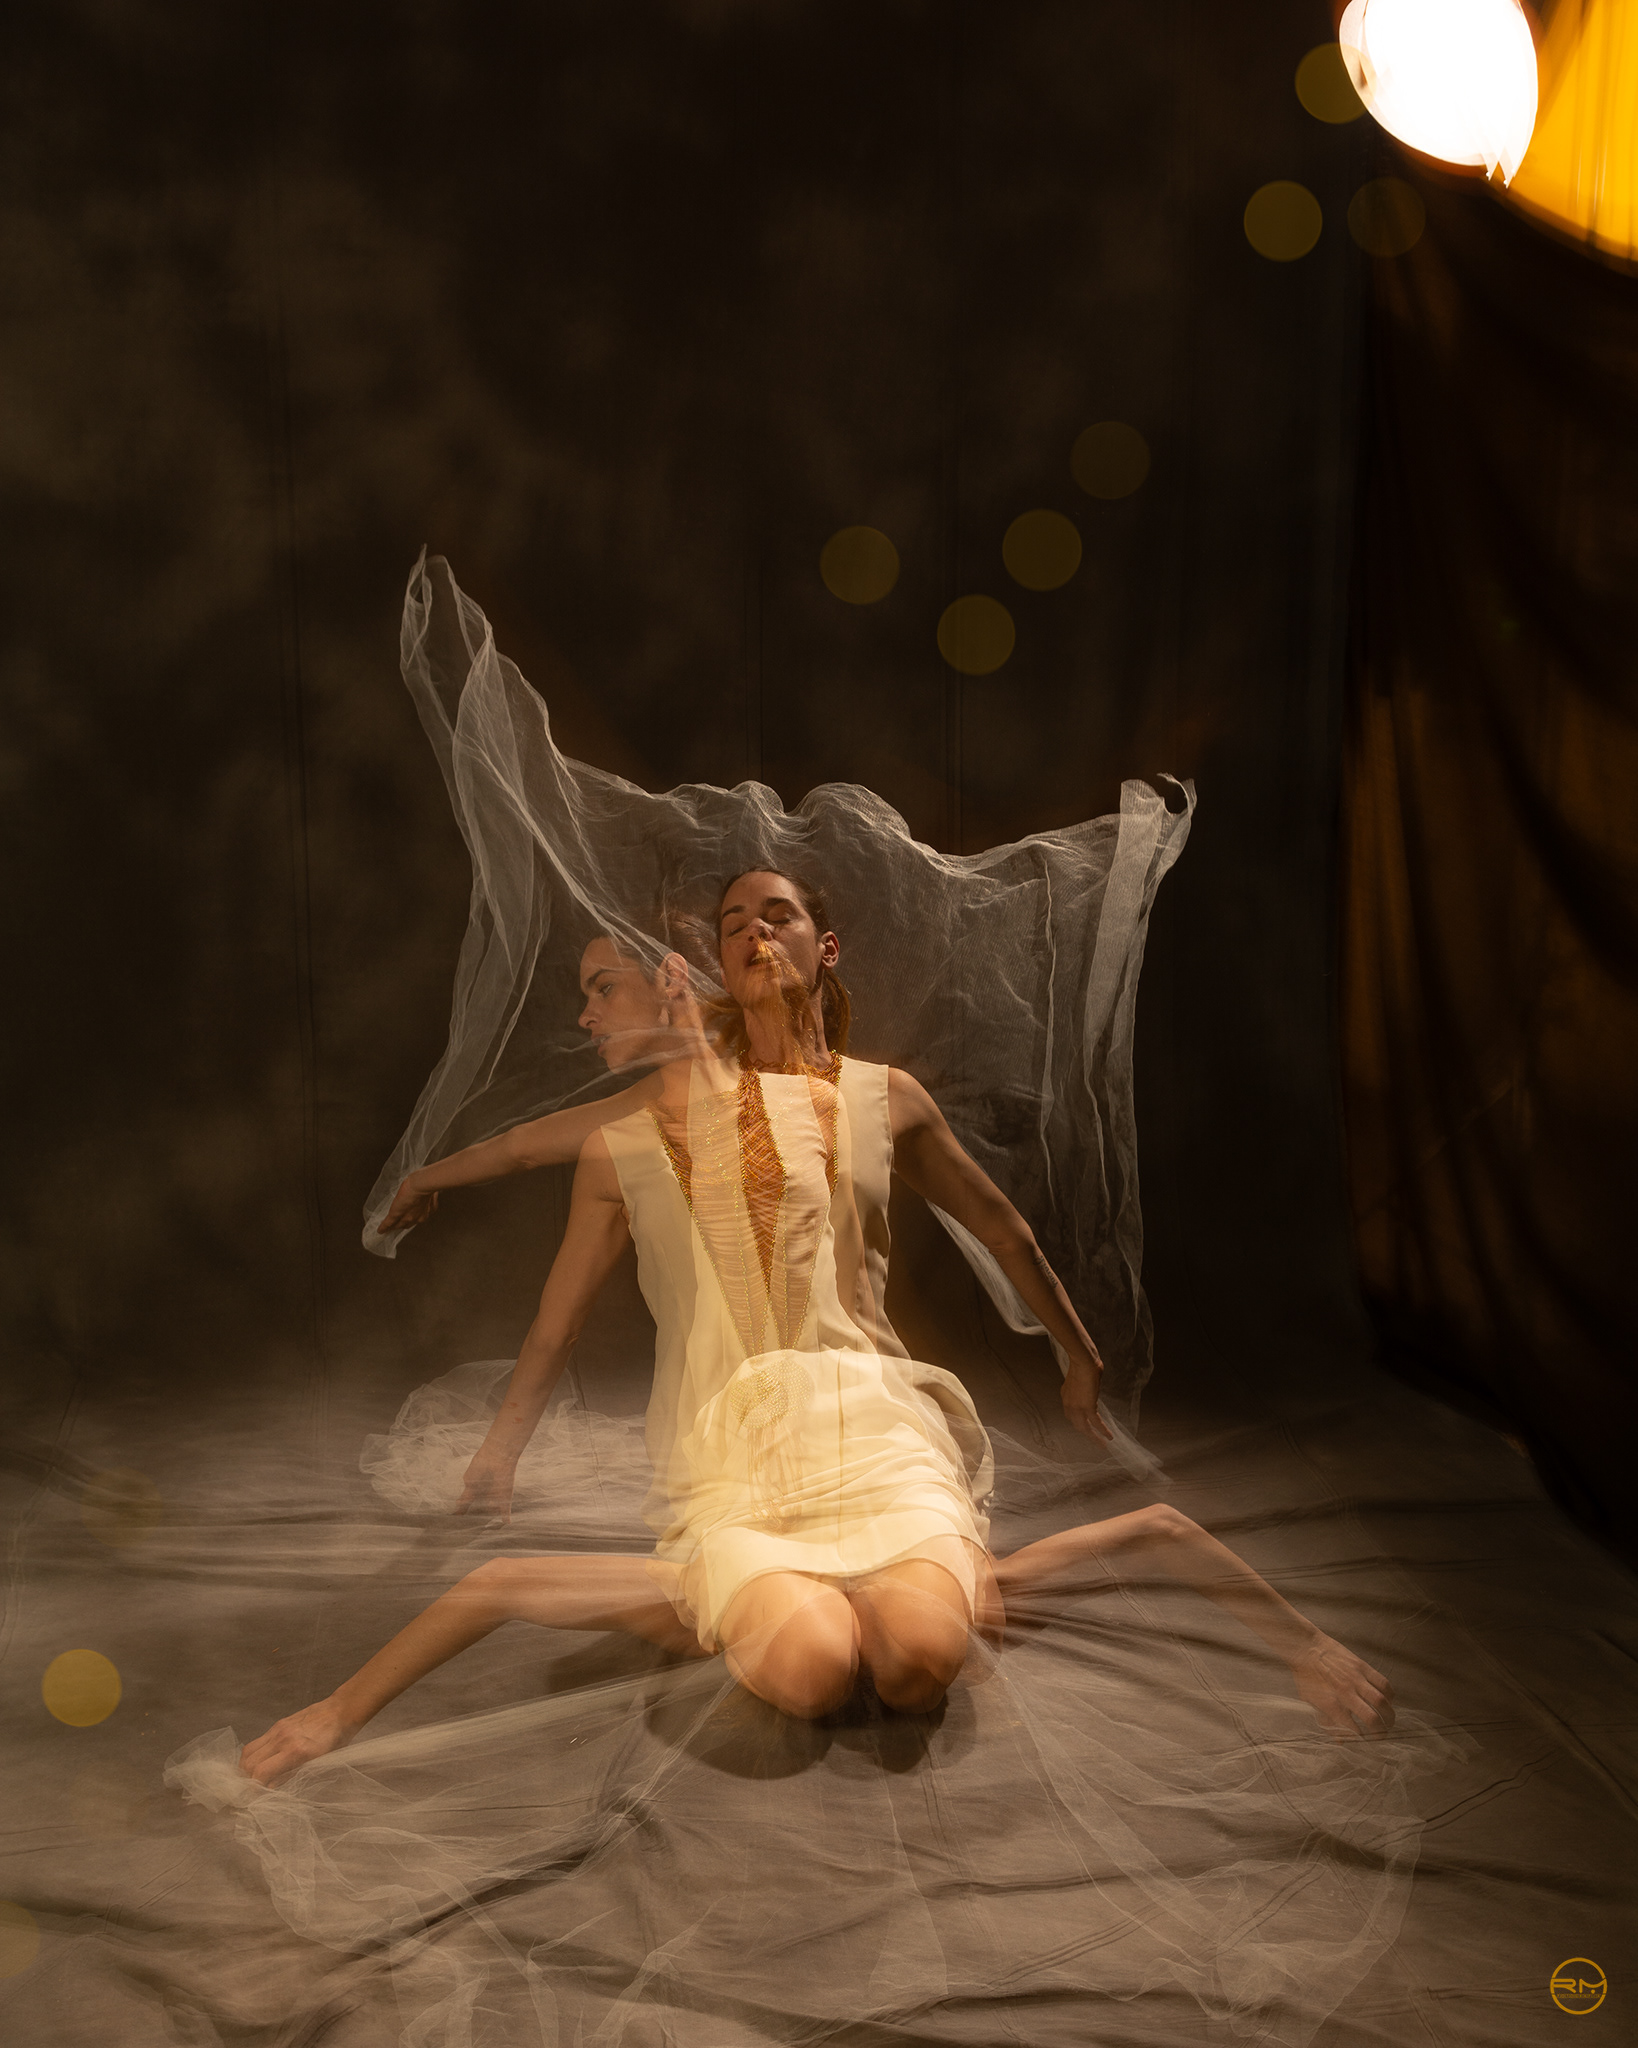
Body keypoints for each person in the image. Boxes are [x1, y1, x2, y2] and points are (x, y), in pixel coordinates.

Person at [240, 868, 1393, 1787]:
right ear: (716, 962)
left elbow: (1003, 1226)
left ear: (822, 946)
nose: (755, 930)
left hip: (876, 1430)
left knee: (919, 1661)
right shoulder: (661, 1114)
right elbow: (529, 1153)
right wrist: (430, 1176)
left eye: (778, 914)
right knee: (810, 1666)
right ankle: (801, 1593)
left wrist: (1078, 1357)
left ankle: (920, 1578)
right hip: (738, 1456)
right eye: (734, 920)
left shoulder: (886, 1095)